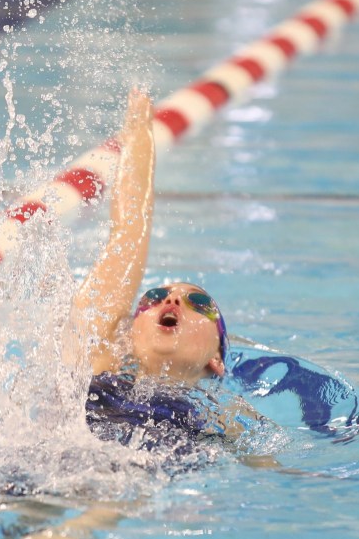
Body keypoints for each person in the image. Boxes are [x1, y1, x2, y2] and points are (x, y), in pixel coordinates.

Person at [66, 87, 265, 450]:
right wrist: (139, 131)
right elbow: (128, 229)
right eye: (154, 297)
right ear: (127, 333)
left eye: (198, 303)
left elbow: (275, 473)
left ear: (217, 359)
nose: (172, 299)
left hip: (140, 483)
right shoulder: (95, 360)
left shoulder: (227, 414)